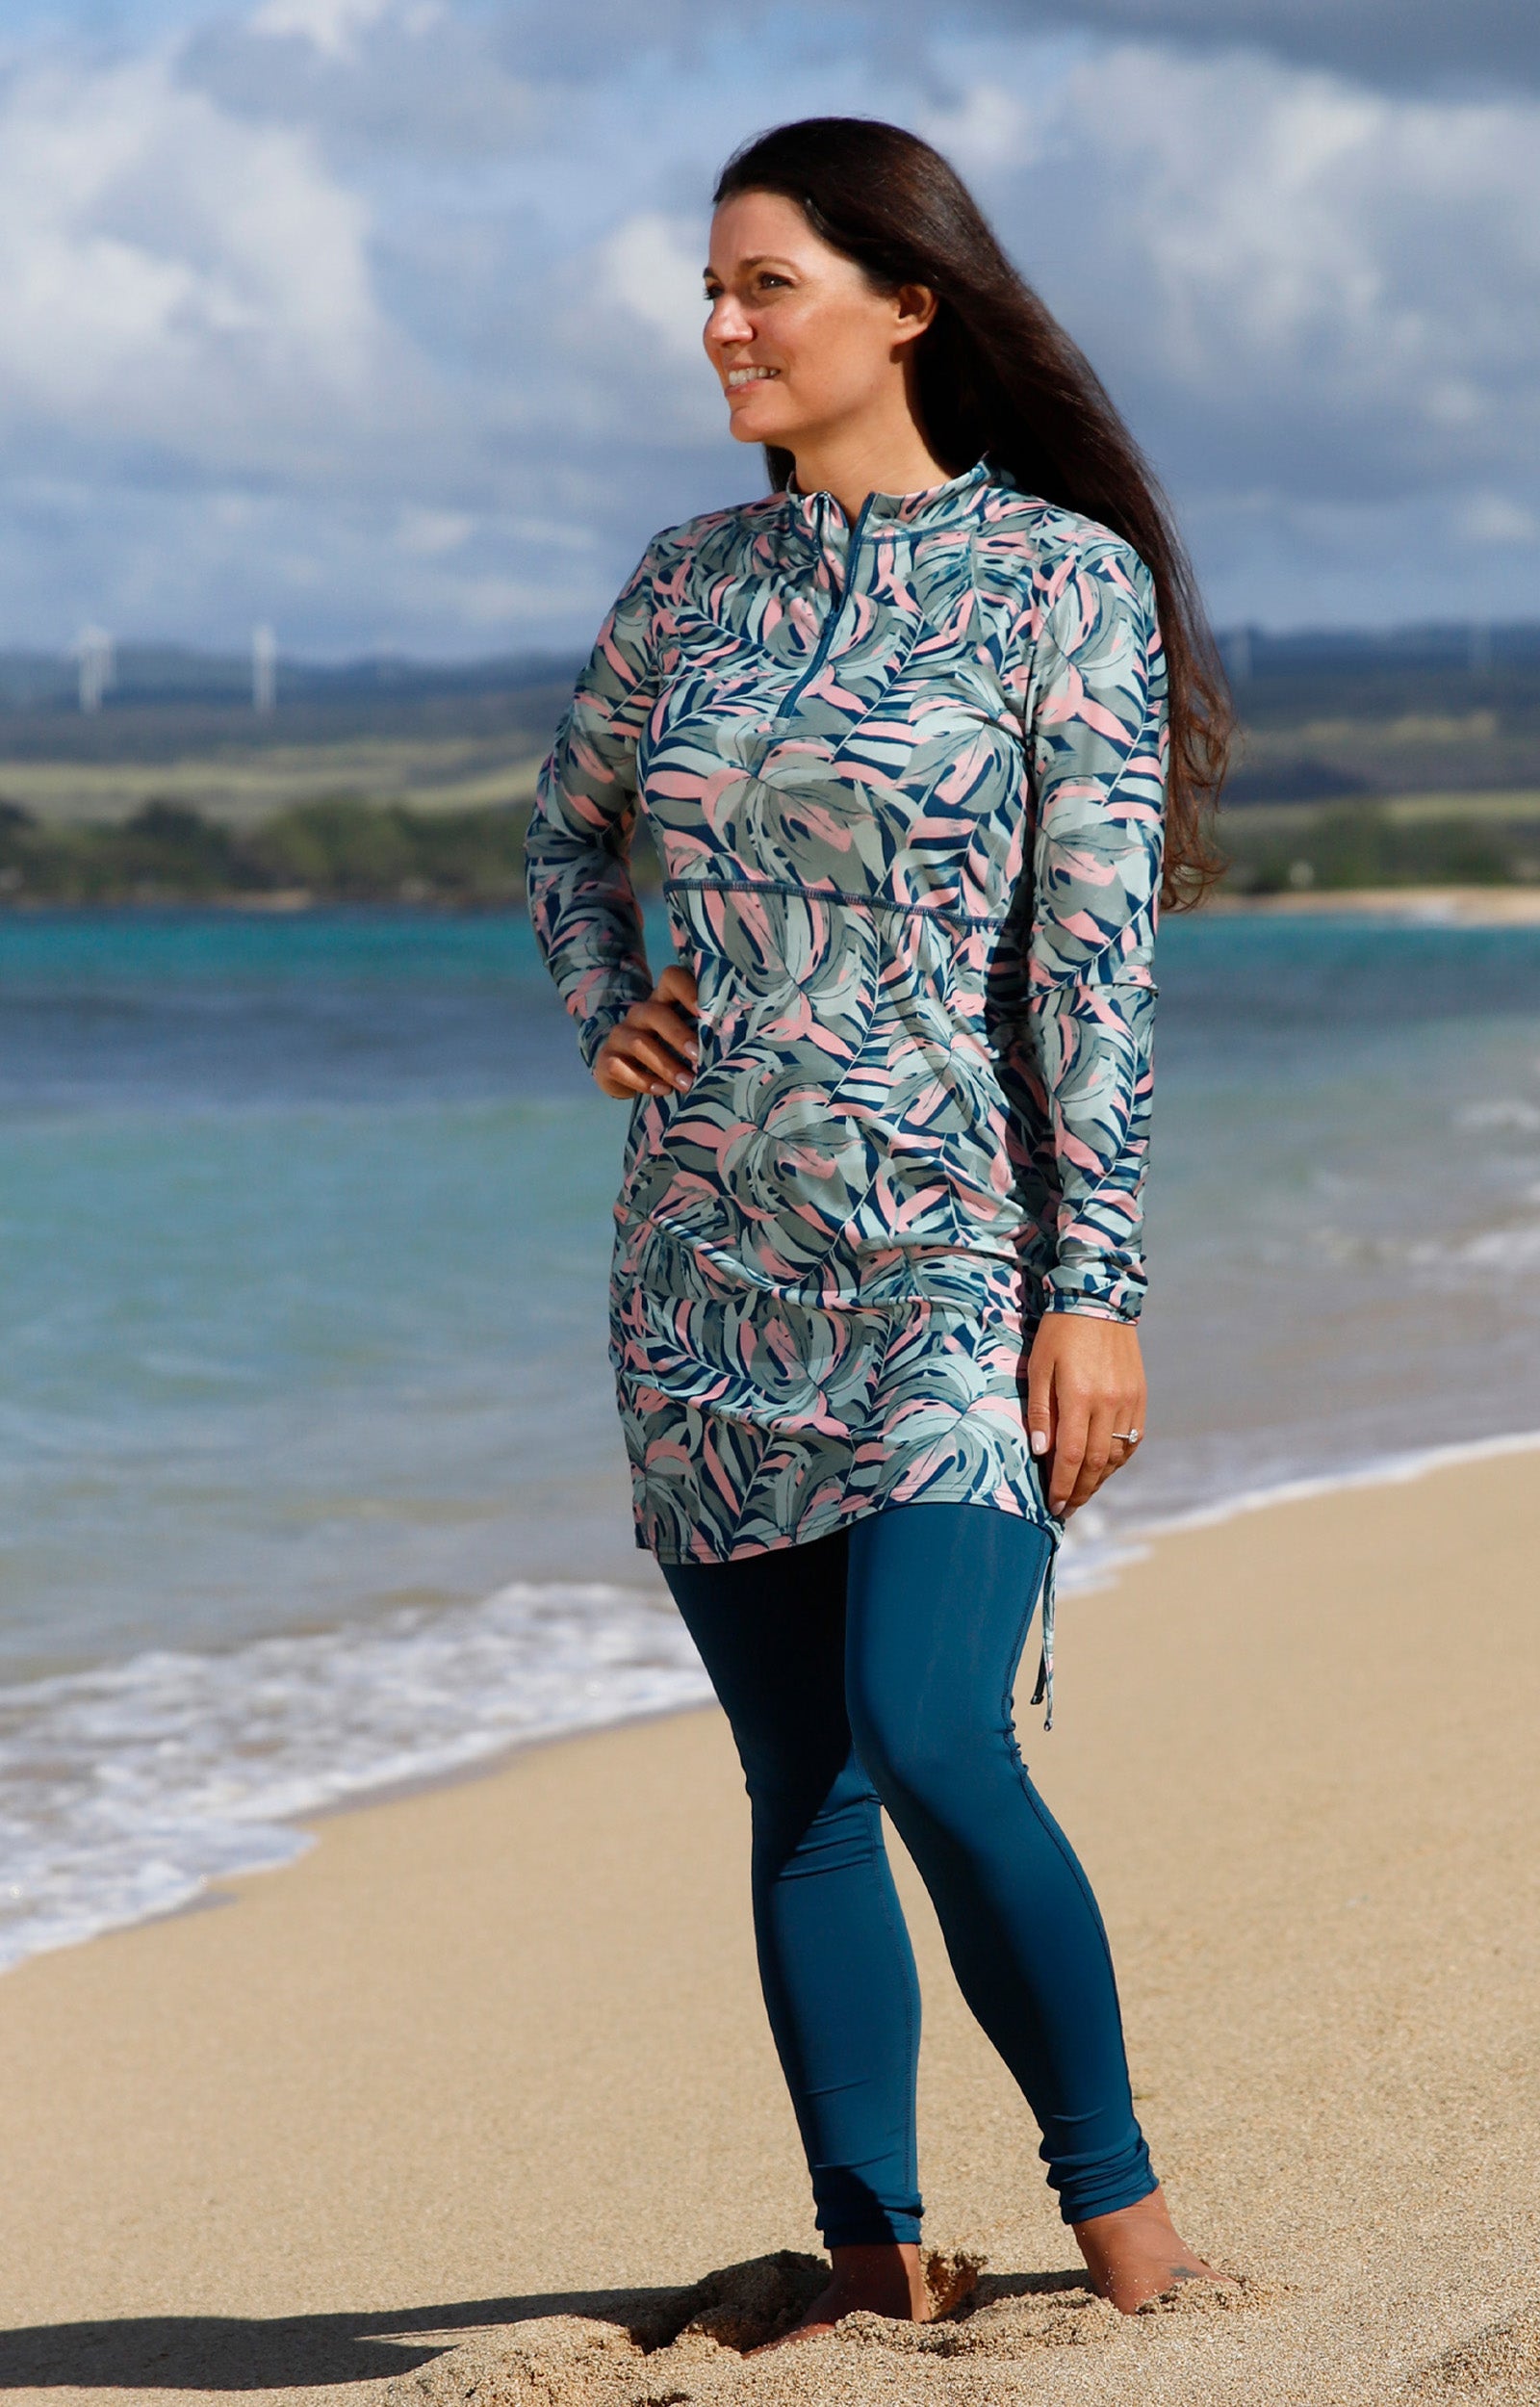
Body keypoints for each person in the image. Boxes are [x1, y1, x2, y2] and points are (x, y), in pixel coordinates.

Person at [526, 116, 1231, 2341]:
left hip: (949, 1245)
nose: (719, 327)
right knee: (796, 1773)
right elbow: (564, 846)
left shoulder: (1054, 586)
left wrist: (1090, 1282)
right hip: (702, 1274)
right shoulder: (681, 586)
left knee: (933, 1729)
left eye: (765, 289)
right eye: (710, 293)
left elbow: (1091, 969)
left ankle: (1127, 2234)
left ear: (904, 304)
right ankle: (867, 2254)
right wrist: (603, 1005)